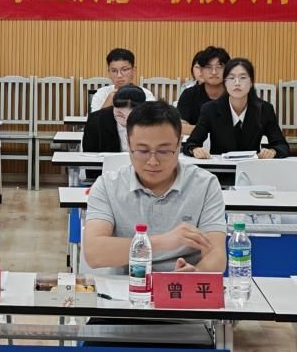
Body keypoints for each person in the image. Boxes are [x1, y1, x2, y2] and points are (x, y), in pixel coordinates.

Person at [84, 101, 226, 274]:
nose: (153, 161)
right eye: (143, 151)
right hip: (127, 285)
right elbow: (94, 253)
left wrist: (194, 274)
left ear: (178, 145)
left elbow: (217, 255)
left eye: (164, 151)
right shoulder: (108, 186)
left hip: (183, 286)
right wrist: (163, 242)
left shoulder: (205, 184)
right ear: (128, 144)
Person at [183, 58, 290, 160]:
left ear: (251, 82)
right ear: (225, 82)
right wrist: (195, 150)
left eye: (243, 78)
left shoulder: (265, 109)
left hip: (251, 168)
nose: (237, 82)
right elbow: (191, 143)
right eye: (231, 78)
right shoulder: (210, 109)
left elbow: (282, 145)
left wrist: (273, 151)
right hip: (220, 169)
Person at [82, 85, 147, 153]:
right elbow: (88, 154)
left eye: (124, 106)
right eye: (116, 106)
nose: (118, 111)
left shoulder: (150, 120)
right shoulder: (96, 120)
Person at [176, 46, 230, 128]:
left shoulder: (235, 95)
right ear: (201, 71)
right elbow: (180, 126)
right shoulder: (189, 94)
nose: (214, 72)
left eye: (219, 66)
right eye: (208, 67)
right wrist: (206, 131)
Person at [90, 48, 156, 112]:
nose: (119, 75)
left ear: (133, 70)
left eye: (124, 70)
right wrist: (110, 100)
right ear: (109, 72)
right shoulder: (101, 94)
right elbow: (94, 119)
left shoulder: (146, 94)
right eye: (114, 71)